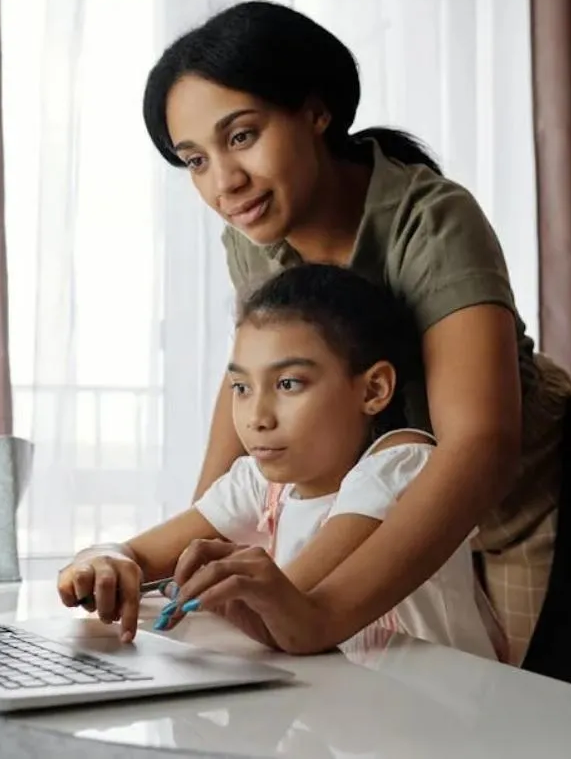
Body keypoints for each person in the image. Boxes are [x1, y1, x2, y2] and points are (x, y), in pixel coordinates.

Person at [136, 0, 571, 664]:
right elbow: (250, 377)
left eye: (242, 136)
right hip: (378, 502)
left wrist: (321, 614)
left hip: (514, 502)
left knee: (528, 704)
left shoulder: (431, 219)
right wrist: (200, 546)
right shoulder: (252, 237)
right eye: (195, 160)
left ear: (317, 112)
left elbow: (480, 443)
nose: (224, 182)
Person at [58, 263, 500, 660]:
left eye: (288, 384)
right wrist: (103, 561)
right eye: (241, 387)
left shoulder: (402, 465)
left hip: (433, 706)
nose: (257, 418)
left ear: (373, 389)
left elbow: (291, 608)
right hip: (339, 701)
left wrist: (211, 583)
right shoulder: (263, 483)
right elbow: (137, 553)